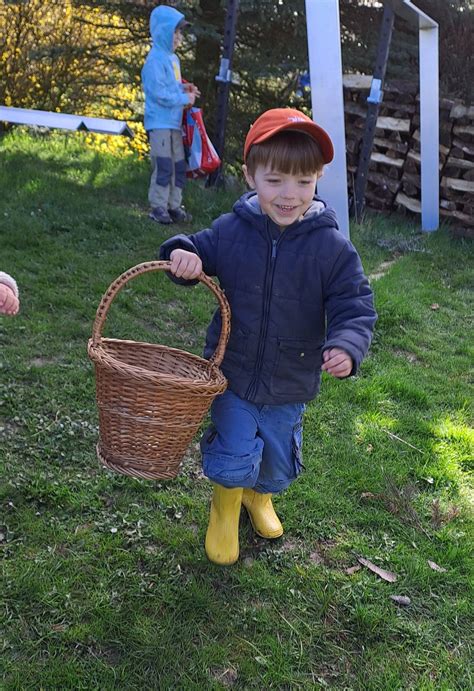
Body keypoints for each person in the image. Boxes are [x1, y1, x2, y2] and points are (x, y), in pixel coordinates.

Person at [159, 108, 377, 565]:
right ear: (251, 175)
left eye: (303, 182)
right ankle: (223, 508)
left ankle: (258, 498)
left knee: (277, 460)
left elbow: (353, 304)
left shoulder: (331, 248)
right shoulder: (232, 230)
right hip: (233, 373)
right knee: (234, 444)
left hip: (290, 378)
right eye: (275, 180)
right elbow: (193, 247)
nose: (289, 195)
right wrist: (183, 255)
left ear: (318, 179)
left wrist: (347, 345)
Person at [142, 5, 200, 225]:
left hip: (174, 123)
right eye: (175, 32)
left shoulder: (172, 60)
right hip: (160, 123)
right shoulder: (155, 60)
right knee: (164, 165)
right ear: (163, 31)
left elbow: (171, 88)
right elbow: (158, 94)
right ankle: (158, 206)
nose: (179, 37)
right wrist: (185, 99)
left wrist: (184, 90)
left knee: (178, 165)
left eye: (180, 33)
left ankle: (174, 206)